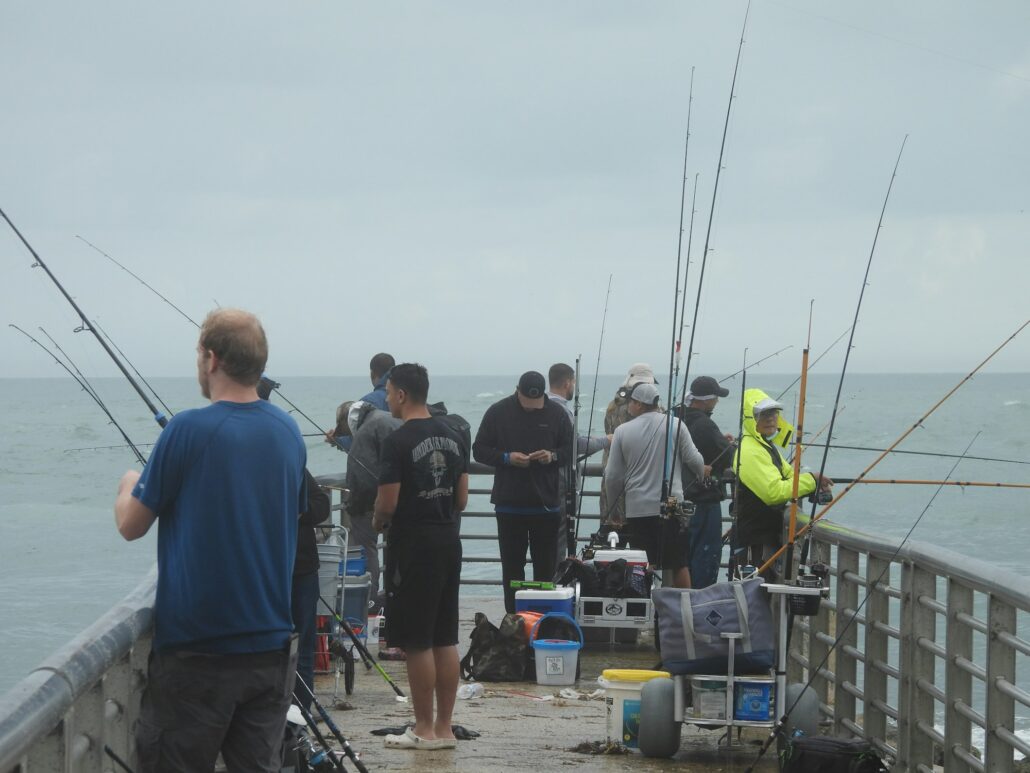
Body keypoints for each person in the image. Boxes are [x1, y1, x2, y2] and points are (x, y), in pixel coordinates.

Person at [114, 309, 306, 773]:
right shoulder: (287, 431)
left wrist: (129, 483)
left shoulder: (186, 429)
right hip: (271, 650)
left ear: (211, 358)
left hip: (198, 653)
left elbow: (131, 525)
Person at [372, 363, 468, 750]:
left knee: (416, 640)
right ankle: (445, 727)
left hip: (413, 546)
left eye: (390, 391)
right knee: (445, 636)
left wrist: (378, 519)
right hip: (449, 540)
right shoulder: (454, 433)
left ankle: (423, 728)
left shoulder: (397, 442)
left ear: (399, 394)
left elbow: (388, 503)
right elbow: (461, 498)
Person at [257, 376, 331, 712]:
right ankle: (271, 708)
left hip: (301, 568)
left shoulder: (297, 468)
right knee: (267, 644)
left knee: (302, 645)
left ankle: (302, 708)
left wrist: (295, 510)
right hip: (263, 570)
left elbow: (320, 506)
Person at [473, 371, 573, 612]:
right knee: (512, 569)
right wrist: (506, 458)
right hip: (509, 505)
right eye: (526, 404)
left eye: (536, 406)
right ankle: (514, 618)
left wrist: (552, 456)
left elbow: (569, 450)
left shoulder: (557, 414)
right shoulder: (498, 412)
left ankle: (543, 617)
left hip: (546, 505)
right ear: (517, 391)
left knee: (545, 570)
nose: (531, 409)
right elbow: (479, 450)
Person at [603, 382, 709, 588]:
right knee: (679, 564)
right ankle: (682, 611)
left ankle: (646, 611)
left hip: (637, 510)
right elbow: (695, 460)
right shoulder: (675, 424)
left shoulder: (622, 431)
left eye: (631, 402)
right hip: (672, 508)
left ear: (640, 405)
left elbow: (612, 476)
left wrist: (614, 510)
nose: (629, 406)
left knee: (642, 565)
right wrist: (700, 474)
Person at [732, 389, 833, 582]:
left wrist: (812, 482)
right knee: (753, 599)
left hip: (765, 536)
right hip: (755, 541)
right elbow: (774, 492)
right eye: (763, 414)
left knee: (761, 597)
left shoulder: (763, 445)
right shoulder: (750, 451)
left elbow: (789, 476)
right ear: (750, 418)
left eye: (773, 413)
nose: (770, 418)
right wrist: (811, 480)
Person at [546, 362, 611, 566]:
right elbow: (576, 445)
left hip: (545, 483)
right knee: (559, 538)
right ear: (567, 383)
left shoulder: (544, 406)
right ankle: (557, 582)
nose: (574, 386)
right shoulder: (562, 411)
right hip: (561, 482)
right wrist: (606, 440)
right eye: (573, 382)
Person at [341, 399, 402, 608]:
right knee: (398, 548)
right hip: (403, 497)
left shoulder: (366, 430)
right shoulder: (389, 417)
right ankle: (398, 596)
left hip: (373, 503)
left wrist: (355, 506)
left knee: (367, 549)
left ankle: (370, 600)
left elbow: (361, 476)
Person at [677, 375, 735, 588]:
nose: (717, 402)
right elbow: (728, 456)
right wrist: (730, 445)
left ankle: (681, 604)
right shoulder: (704, 424)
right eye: (716, 397)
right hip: (703, 500)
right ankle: (702, 603)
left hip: (678, 501)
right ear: (706, 400)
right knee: (705, 555)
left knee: (682, 557)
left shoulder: (677, 417)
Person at [599, 363, 658, 527]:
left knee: (611, 542)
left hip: (610, 483)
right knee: (639, 543)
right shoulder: (638, 409)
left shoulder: (613, 406)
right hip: (638, 487)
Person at [329, 352, 395, 452]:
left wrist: (337, 440)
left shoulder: (367, 403)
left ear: (372, 374)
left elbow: (359, 442)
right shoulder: (405, 397)